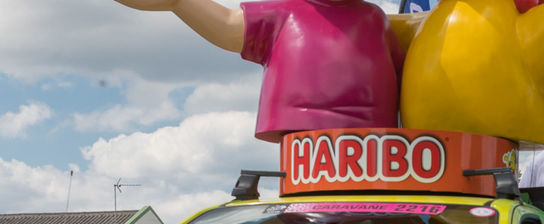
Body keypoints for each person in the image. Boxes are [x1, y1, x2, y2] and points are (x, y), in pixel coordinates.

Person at [115, 0, 405, 143]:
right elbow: (229, 26)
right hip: (305, 142)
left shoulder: (374, 18)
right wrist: (180, 3)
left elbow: (408, 63)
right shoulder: (283, 12)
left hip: (376, 141)